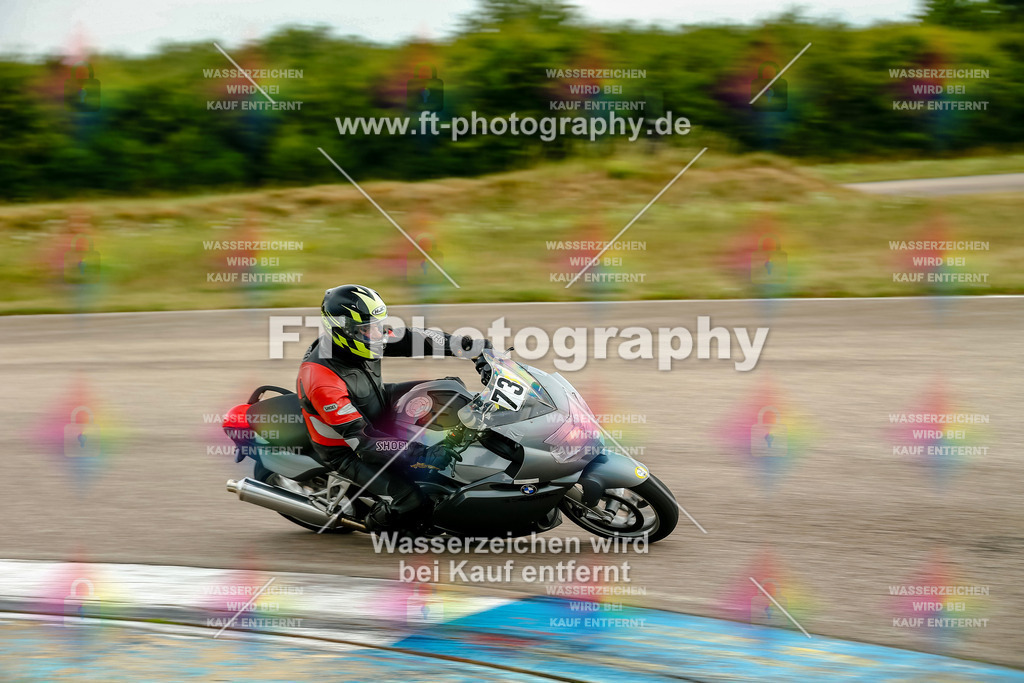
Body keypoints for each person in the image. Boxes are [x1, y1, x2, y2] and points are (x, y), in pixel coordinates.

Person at [296, 284, 490, 532]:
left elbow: (414, 338)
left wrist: (473, 348)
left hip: (375, 402)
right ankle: (379, 527)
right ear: (344, 330)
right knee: (411, 502)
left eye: (378, 325)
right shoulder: (322, 381)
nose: (379, 333)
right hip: (348, 449)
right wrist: (421, 454)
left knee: (450, 391)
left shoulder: (361, 337)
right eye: (369, 329)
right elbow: (363, 442)